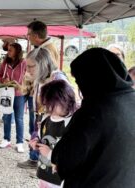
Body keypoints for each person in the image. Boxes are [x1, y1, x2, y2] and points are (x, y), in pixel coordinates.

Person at [52, 48, 135, 187]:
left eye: (79, 81)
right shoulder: (131, 100)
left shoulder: (93, 111)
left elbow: (65, 159)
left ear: (90, 79)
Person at [17, 48, 69, 170]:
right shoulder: (41, 77)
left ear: (43, 64)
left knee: (53, 167)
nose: (27, 70)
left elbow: (67, 109)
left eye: (31, 66)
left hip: (58, 128)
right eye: (27, 66)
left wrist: (48, 121)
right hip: (45, 121)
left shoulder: (58, 79)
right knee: (44, 166)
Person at [29, 80, 77, 188]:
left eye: (52, 105)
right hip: (43, 172)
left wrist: (50, 154)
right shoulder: (46, 120)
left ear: (64, 100)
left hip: (59, 180)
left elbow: (73, 155)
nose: (49, 108)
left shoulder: (73, 123)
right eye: (47, 104)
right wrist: (36, 142)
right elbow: (42, 138)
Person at [0, 43, 27, 152]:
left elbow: (28, 77)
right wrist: (3, 80)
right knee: (7, 117)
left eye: (10, 50)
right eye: (8, 50)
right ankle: (6, 139)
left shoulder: (24, 63)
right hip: (7, 94)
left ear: (17, 52)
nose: (8, 52)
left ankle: (20, 142)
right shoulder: (5, 62)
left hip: (19, 95)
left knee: (19, 119)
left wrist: (22, 86)